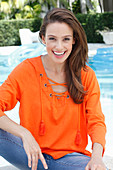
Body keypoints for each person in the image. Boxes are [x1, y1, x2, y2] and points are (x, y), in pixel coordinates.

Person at [0, 8, 107, 170]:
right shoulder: (26, 70)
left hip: (69, 159)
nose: (59, 47)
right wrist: (24, 134)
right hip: (29, 155)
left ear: (74, 40)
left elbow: (96, 121)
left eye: (65, 39)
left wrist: (97, 157)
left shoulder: (86, 75)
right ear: (43, 39)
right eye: (52, 39)